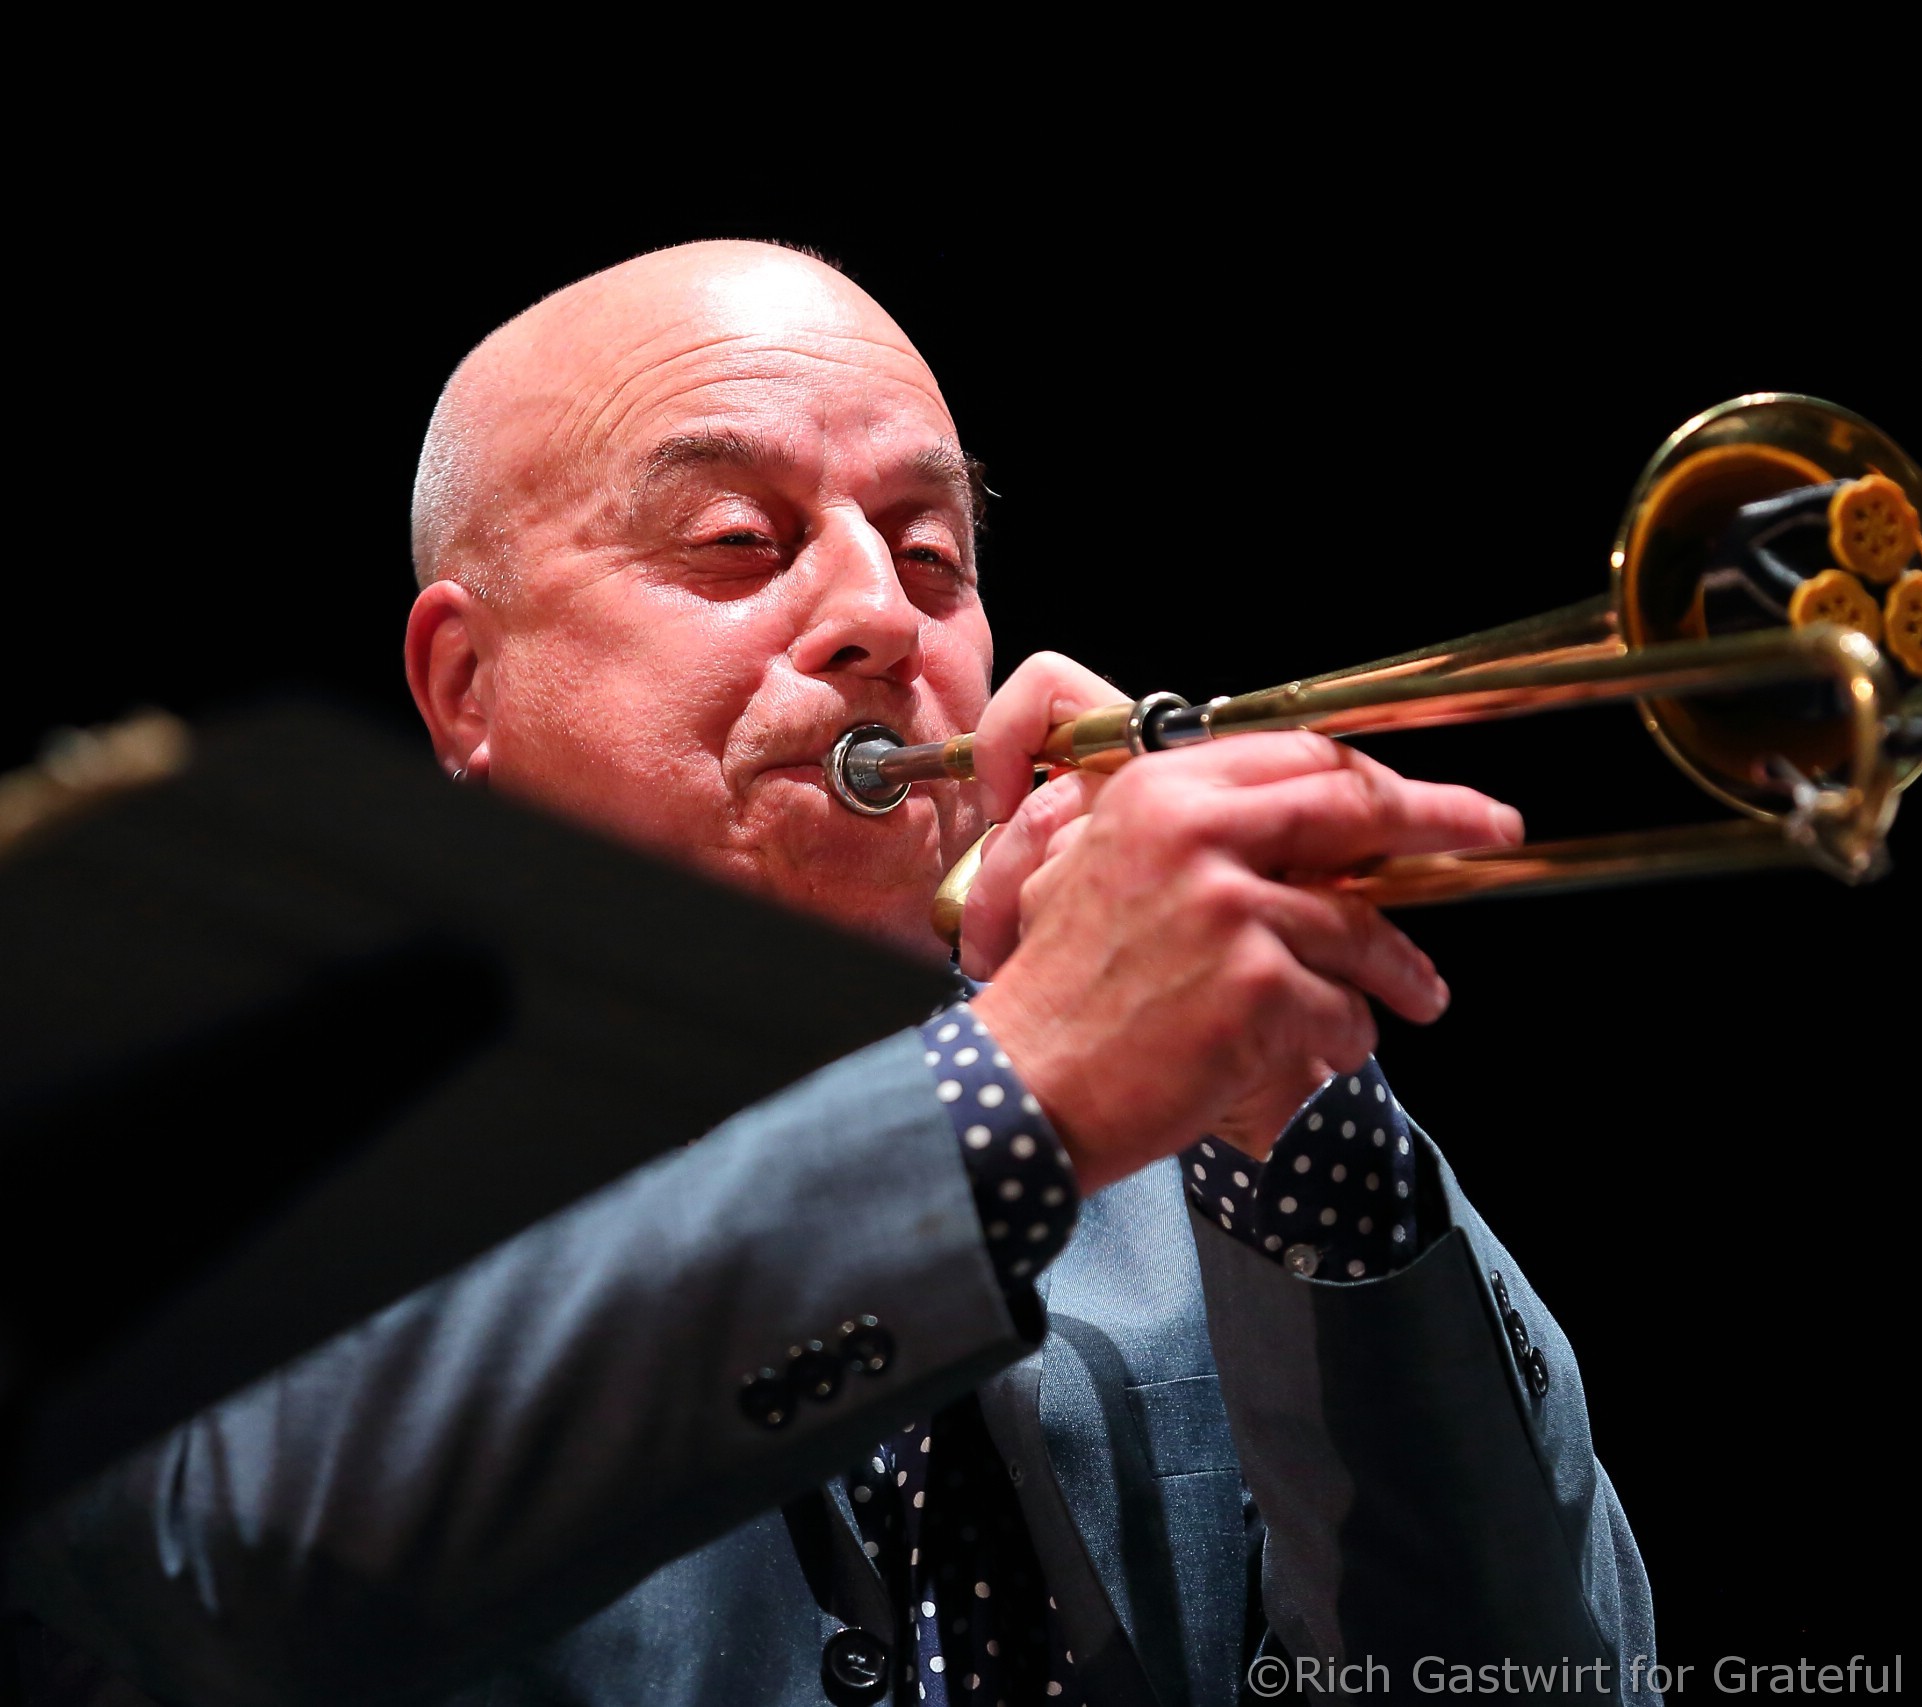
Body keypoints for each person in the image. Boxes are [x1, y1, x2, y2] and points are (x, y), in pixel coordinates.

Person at [5, 241, 1656, 1704]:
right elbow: (226, 1577)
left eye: (933, 554)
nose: (880, 612)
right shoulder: (241, 1123)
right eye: (737, 538)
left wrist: (1316, 1165)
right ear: (466, 688)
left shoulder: (1192, 1143)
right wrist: (1010, 1100)